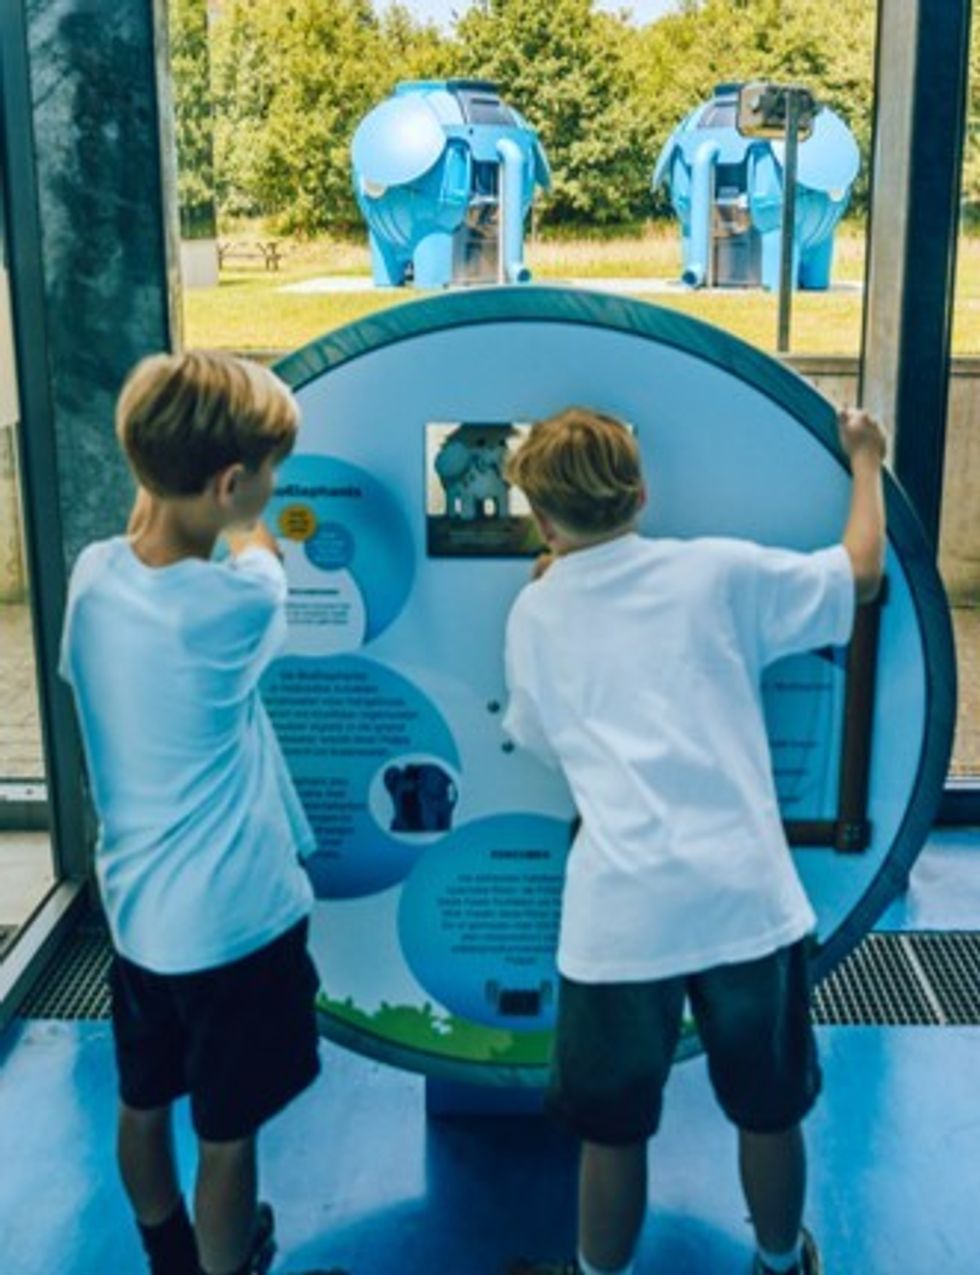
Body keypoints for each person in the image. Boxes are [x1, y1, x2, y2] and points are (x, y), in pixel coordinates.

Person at [501, 406, 887, 1275]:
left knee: (613, 1131)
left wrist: (551, 586)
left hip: (620, 915)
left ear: (543, 520)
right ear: (640, 494)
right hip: (744, 899)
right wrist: (866, 459)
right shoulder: (718, 571)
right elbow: (860, 575)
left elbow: (538, 737)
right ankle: (782, 1261)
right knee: (769, 1111)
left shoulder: (535, 613)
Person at [59, 351, 344, 1275]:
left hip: (140, 921)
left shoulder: (93, 577)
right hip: (235, 926)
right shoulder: (233, 605)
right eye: (270, 474)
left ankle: (169, 1258)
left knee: (142, 1105)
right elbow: (261, 558)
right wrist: (252, 527)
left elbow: (154, 535)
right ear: (229, 484)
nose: (273, 489)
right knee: (228, 1140)